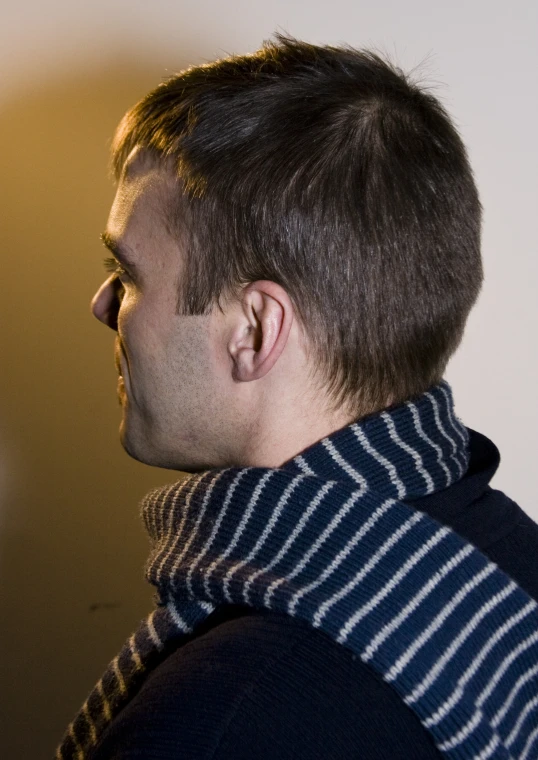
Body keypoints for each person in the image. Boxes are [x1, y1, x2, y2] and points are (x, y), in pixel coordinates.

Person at [55, 32, 538, 760]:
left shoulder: (225, 720)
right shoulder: (504, 555)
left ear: (254, 330)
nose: (101, 305)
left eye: (127, 273)